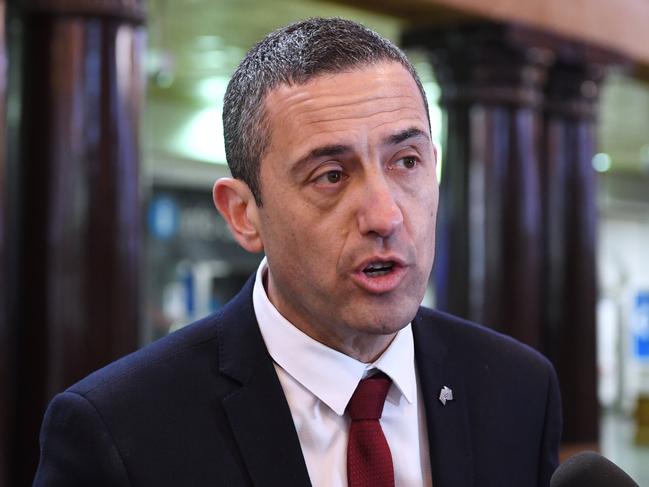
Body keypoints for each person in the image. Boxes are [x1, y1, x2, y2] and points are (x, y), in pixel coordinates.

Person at [34, 18, 561, 487]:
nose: (385, 216)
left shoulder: (518, 390)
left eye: (406, 162)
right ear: (243, 214)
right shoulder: (119, 430)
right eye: (330, 175)